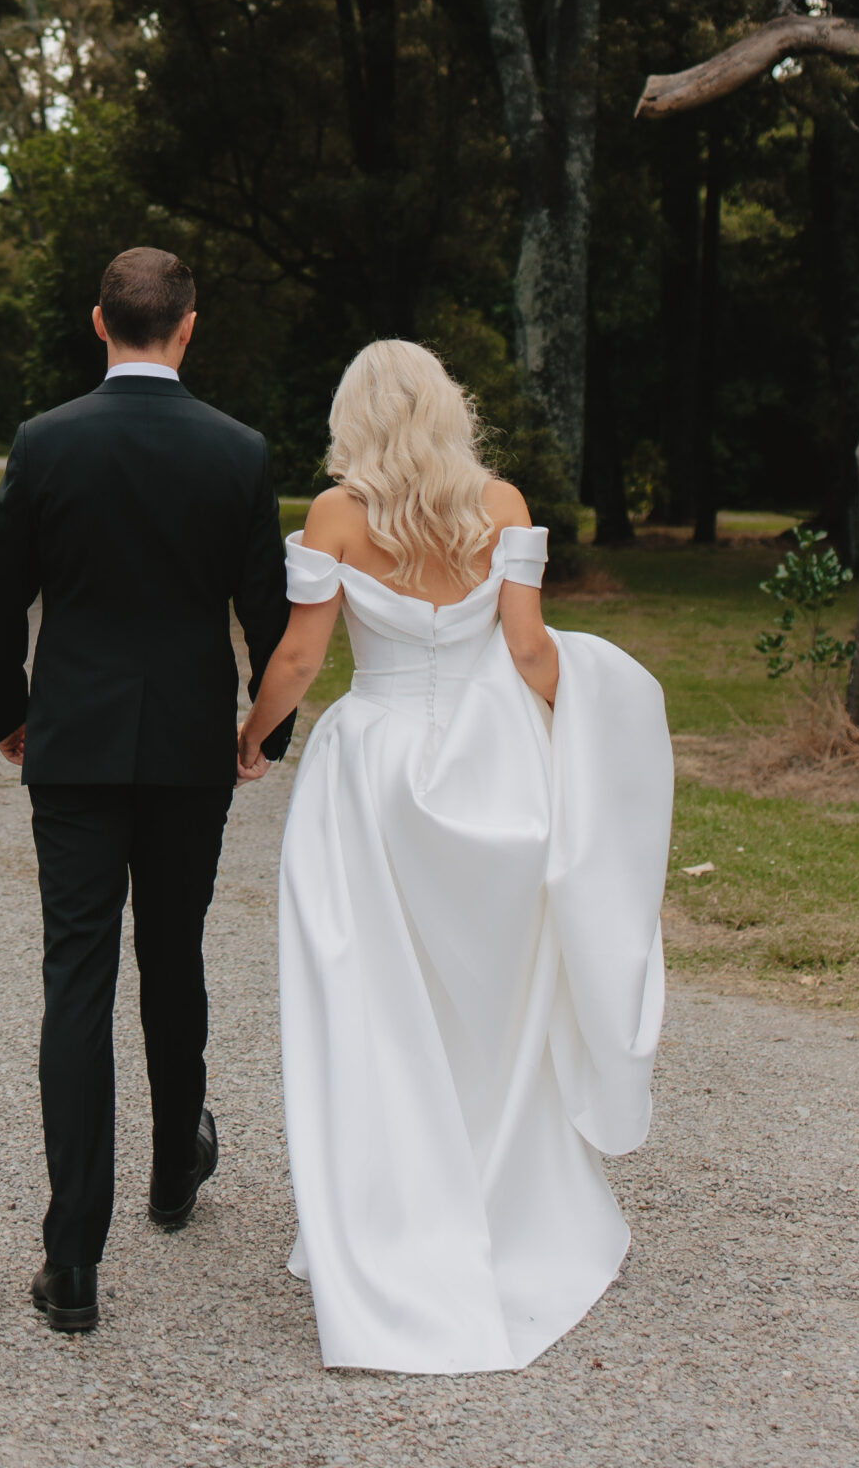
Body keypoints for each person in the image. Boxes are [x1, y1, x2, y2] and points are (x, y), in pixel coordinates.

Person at [237, 339, 674, 1374]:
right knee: (492, 1002)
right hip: (492, 772)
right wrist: (590, 724)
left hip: (371, 776)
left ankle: (387, 1212)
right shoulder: (501, 504)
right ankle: (497, 1199)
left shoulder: (337, 514)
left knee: (373, 999)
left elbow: (300, 654)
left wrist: (251, 737)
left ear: (352, 416)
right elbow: (526, 650)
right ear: (449, 409)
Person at [0, 245, 294, 1336]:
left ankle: (72, 1262)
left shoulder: (47, 439)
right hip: (189, 749)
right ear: (188, 326)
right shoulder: (238, 450)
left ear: (99, 322)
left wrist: (8, 710)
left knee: (77, 977)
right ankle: (171, 1172)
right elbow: (267, 608)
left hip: (74, 743)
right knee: (173, 952)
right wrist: (265, 729)